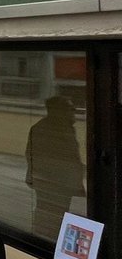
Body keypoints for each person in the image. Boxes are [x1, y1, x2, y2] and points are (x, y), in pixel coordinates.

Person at [25, 96, 85, 239]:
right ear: (59, 111)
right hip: (54, 182)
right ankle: (44, 239)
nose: (73, 113)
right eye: (70, 109)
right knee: (50, 212)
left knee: (54, 212)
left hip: (59, 182)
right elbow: (35, 155)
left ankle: (48, 237)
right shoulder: (48, 130)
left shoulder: (64, 128)